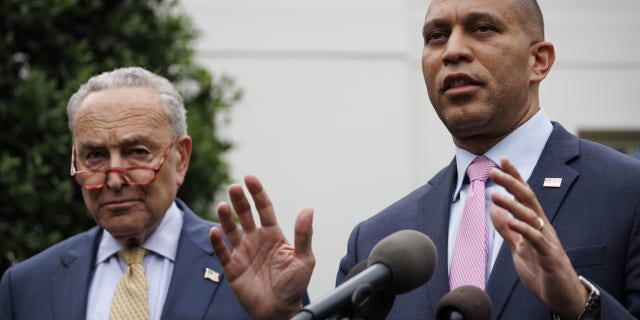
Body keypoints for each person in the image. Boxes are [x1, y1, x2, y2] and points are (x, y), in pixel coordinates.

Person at [209, 0, 640, 319]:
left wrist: (582, 305)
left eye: (482, 28)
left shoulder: (626, 191)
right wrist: (284, 315)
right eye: (436, 36)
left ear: (538, 60)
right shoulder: (380, 240)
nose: (452, 50)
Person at [0, 67, 252, 319]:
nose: (114, 179)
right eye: (95, 156)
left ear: (181, 158)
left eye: (137, 152)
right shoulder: (26, 286)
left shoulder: (249, 266)